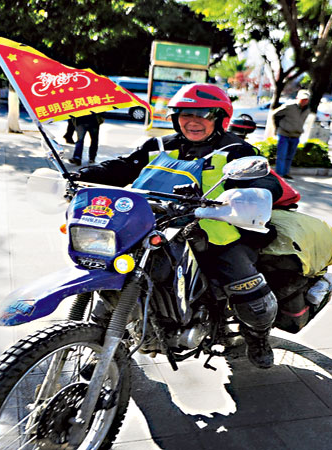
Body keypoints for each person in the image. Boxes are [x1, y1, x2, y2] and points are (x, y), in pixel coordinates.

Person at [74, 83, 284, 369]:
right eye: (185, 113)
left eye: (204, 114)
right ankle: (103, 342)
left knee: (242, 281)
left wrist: (236, 195)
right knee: (116, 267)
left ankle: (257, 336)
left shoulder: (237, 150)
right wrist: (84, 175)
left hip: (217, 232)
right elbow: (123, 166)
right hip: (155, 225)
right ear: (176, 117)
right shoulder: (159, 145)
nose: (193, 121)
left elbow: (267, 181)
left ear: (219, 118)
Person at [270, 90, 310, 179]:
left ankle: (285, 173)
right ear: (298, 98)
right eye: (302, 99)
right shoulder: (289, 106)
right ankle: (279, 175)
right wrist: (278, 127)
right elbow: (275, 114)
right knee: (282, 155)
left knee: (289, 157)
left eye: (306, 99)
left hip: (296, 135)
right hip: (284, 134)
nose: (304, 101)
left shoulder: (307, 110)